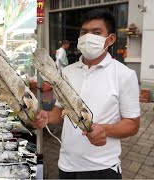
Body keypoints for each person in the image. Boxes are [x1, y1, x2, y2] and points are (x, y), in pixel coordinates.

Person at [32, 9, 140, 179]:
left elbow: (132, 124)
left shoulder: (124, 75)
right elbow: (62, 112)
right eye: (84, 32)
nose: (88, 37)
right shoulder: (66, 72)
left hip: (103, 168)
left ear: (110, 39)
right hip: (66, 166)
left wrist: (105, 129)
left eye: (96, 32)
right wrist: (47, 117)